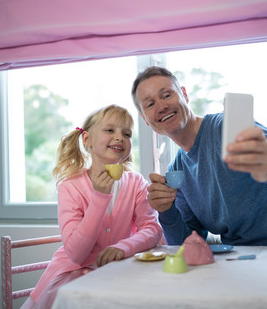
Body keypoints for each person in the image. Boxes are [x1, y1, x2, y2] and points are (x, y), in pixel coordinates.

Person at [131, 66, 267, 246]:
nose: (161, 106)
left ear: (184, 94)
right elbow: (188, 244)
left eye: (166, 95)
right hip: (240, 268)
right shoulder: (177, 171)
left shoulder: (225, 128)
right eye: (150, 104)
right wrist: (166, 211)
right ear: (145, 120)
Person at [22, 105, 162, 309]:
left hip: (118, 272)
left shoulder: (136, 182)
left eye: (127, 133)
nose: (119, 137)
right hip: (73, 276)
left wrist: (123, 247)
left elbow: (152, 229)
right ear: (87, 139)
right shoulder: (70, 187)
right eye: (109, 130)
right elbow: (77, 254)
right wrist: (99, 196)